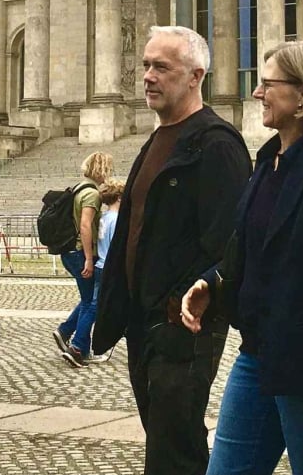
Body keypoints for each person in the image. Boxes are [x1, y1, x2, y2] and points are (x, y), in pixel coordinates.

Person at [179, 40, 303, 475]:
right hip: (257, 356)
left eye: (268, 84)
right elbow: (249, 249)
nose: (258, 93)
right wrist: (212, 282)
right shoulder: (268, 162)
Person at [92, 26, 251, 475]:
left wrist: (186, 300)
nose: (147, 76)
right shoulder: (157, 140)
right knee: (167, 440)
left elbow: (228, 242)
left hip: (182, 321)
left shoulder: (217, 144)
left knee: (173, 449)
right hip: (145, 321)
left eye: (161, 67)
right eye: (145, 65)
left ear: (196, 75)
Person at [54, 151, 112, 367]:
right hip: (80, 252)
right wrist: (89, 258)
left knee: (88, 299)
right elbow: (86, 225)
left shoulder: (80, 187)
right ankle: (77, 346)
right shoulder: (91, 194)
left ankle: (69, 335)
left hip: (71, 251)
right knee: (93, 303)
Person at [88, 179, 123, 362]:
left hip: (100, 263)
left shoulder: (104, 218)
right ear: (118, 198)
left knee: (95, 303)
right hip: (108, 266)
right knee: (99, 307)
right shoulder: (116, 220)